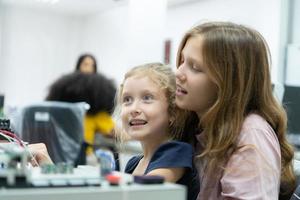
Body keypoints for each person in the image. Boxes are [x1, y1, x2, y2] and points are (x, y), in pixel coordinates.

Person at [175, 21, 296, 199]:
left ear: (230, 82)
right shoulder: (196, 126)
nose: (178, 72)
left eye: (195, 68)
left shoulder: (251, 136)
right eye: (182, 61)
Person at [114, 63, 199, 200]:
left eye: (147, 98)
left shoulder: (177, 152)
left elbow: (145, 193)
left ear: (173, 112)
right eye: (127, 100)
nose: (134, 109)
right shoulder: (133, 164)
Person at [46, 72, 117, 166]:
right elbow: (114, 132)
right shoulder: (98, 116)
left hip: (58, 156)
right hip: (85, 157)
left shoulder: (62, 113)